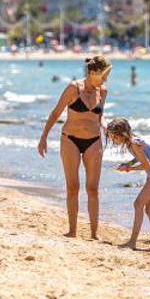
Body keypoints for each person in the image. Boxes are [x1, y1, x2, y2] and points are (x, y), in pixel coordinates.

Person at [37, 56, 111, 239]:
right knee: (73, 186)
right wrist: (44, 137)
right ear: (93, 73)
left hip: (94, 140)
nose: (106, 79)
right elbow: (56, 112)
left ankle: (94, 233)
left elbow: (100, 115)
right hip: (70, 140)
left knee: (93, 188)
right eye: (104, 75)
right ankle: (72, 230)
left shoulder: (103, 91)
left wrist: (105, 126)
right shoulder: (73, 88)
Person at [106, 117, 150, 253]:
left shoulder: (133, 143)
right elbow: (140, 157)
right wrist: (128, 164)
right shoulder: (132, 142)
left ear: (120, 134)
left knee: (138, 204)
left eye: (113, 137)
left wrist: (129, 169)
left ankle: (132, 241)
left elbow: (146, 164)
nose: (112, 140)